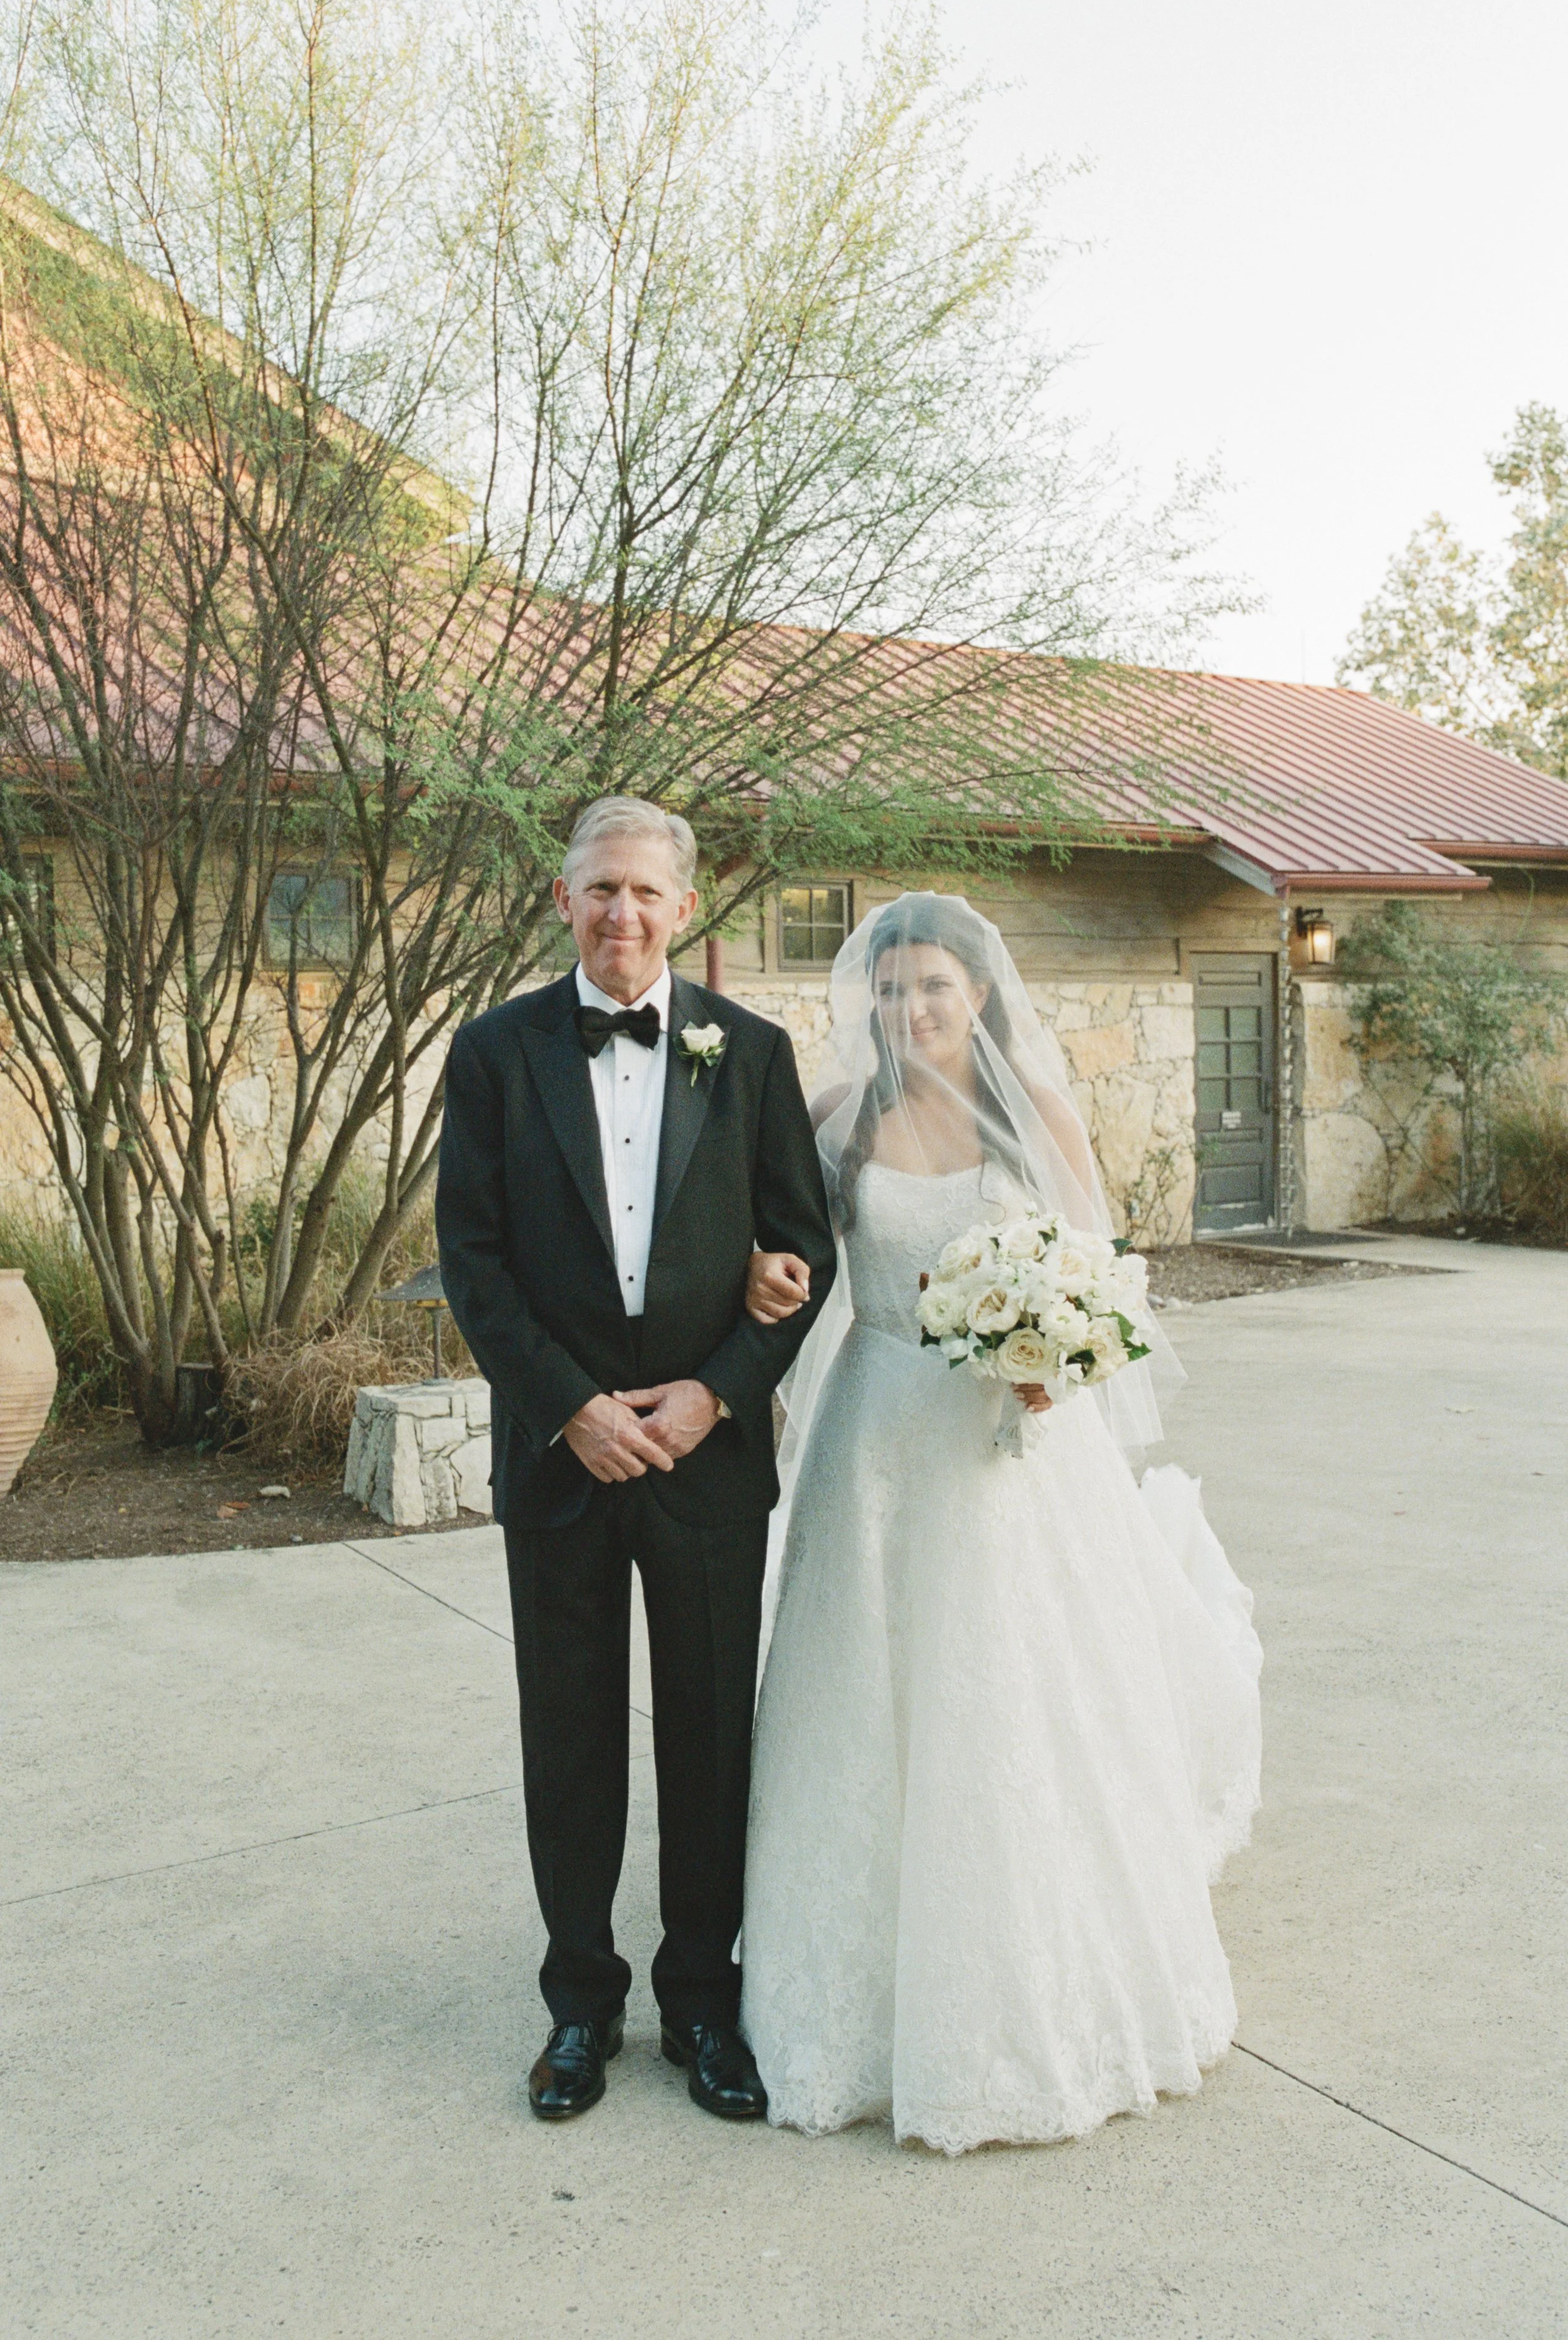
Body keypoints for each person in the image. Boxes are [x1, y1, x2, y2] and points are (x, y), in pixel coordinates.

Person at [738, 893, 1262, 2153]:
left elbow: (1102, 1287)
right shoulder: (836, 1118)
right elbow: (786, 1255)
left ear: (978, 992)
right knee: (863, 1690)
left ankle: (1030, 1980)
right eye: (889, 988)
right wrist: (758, 1273)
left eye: (932, 985)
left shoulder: (1035, 1115)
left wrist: (1056, 1362)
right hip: (873, 1431)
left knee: (1014, 1691)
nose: (910, 1007)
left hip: (1007, 1441)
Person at [436, 797, 835, 2124]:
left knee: (711, 1737)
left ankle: (703, 2002)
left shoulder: (752, 1053)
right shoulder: (492, 1053)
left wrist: (714, 1397)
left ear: (684, 907)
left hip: (704, 1463)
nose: (621, 912)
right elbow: (472, 1260)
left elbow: (803, 1251)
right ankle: (579, 2003)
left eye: (645, 891)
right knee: (569, 1739)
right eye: (599, 888)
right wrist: (569, 1408)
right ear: (563, 900)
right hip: (563, 1461)